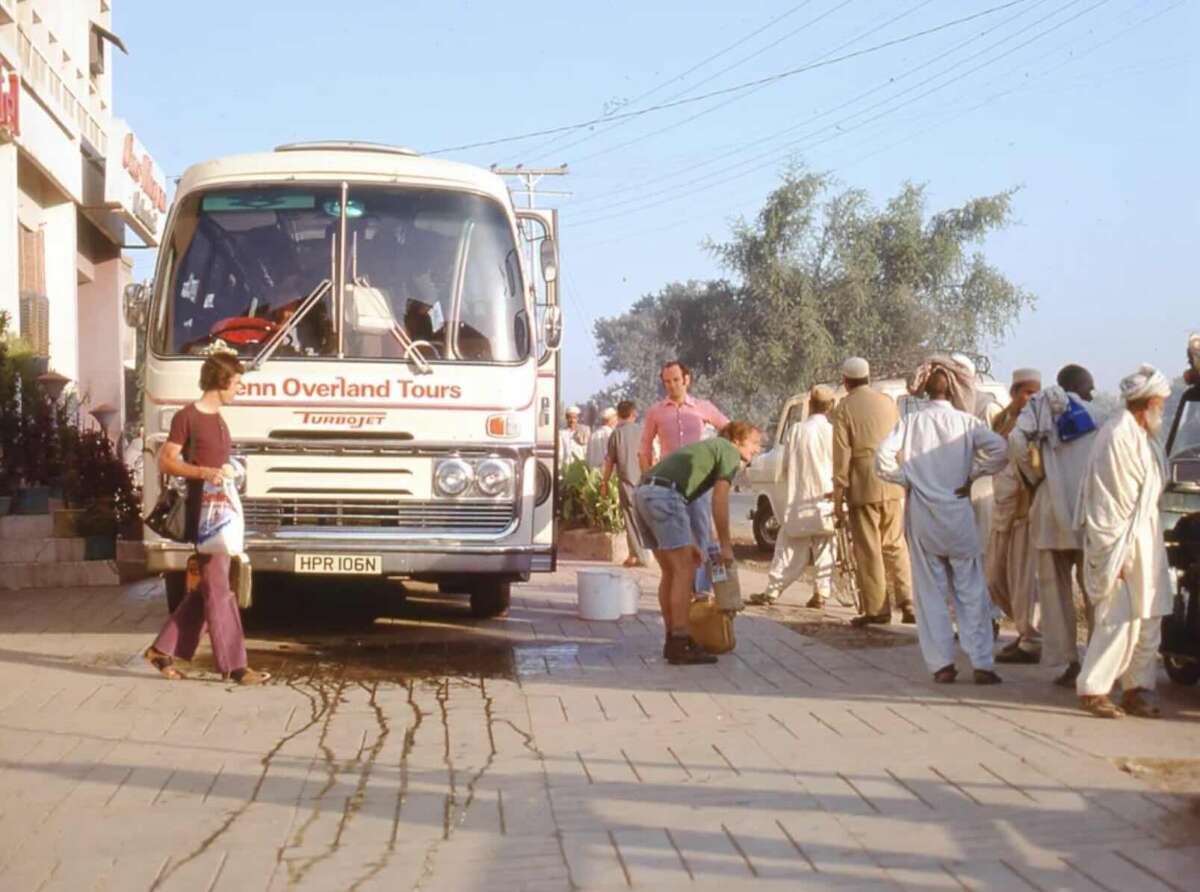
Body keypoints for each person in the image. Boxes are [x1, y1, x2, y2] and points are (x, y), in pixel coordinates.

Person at [877, 360, 1009, 683]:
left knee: (930, 592)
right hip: (959, 513)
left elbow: (880, 460)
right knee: (971, 588)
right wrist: (973, 474)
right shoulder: (967, 422)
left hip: (924, 516)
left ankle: (942, 666)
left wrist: (906, 477)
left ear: (924, 390)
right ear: (952, 389)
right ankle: (982, 663)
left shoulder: (910, 423)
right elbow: (1001, 451)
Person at [142, 352, 269, 686]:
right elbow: (167, 462)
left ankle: (161, 650)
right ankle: (236, 666)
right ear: (221, 380)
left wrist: (231, 472)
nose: (240, 388)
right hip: (204, 516)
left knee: (209, 589)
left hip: (222, 513)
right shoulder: (188, 417)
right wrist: (204, 472)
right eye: (237, 382)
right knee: (219, 591)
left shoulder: (220, 421)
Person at [1074, 365, 1173, 718]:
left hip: (1147, 539)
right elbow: (1107, 507)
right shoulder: (1117, 435)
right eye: (1161, 403)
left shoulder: (1147, 437)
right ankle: (1094, 689)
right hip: (1121, 543)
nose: (1162, 409)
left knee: (1149, 616)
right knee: (1118, 619)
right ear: (1147, 402)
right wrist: (1112, 558)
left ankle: (1138, 688)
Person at [635, 421, 763, 665]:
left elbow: (682, 490)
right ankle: (680, 641)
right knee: (684, 571)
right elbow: (720, 500)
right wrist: (726, 545)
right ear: (736, 440)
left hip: (645, 493)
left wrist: (691, 539)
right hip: (665, 496)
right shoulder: (728, 451)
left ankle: (672, 638)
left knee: (671, 572)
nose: (757, 449)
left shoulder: (710, 447)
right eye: (754, 443)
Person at [1009, 364, 1099, 687]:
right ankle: (1098, 660)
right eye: (1090, 387)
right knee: (1093, 591)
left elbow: (1016, 440)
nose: (1091, 393)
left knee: (1055, 591)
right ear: (1080, 386)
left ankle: (1070, 661)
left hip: (1050, 511)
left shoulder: (1040, 407)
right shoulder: (1097, 413)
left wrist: (1034, 478)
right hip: (1087, 514)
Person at [831, 357, 915, 626]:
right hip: (891, 479)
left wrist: (838, 493)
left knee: (869, 549)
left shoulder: (844, 408)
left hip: (863, 482)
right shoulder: (887, 403)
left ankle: (877, 609)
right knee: (895, 544)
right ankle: (909, 602)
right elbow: (900, 442)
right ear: (868, 377)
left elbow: (841, 455)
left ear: (845, 382)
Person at [639, 361, 729, 597]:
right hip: (668, 486)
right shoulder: (656, 411)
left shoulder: (702, 407)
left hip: (697, 484)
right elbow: (645, 447)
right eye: (667, 381)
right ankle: (682, 586)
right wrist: (647, 477)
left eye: (676, 380)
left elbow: (729, 430)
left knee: (702, 533)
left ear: (686, 380)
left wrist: (718, 459)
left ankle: (702, 591)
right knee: (676, 537)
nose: (671, 385)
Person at [748, 385, 837, 608]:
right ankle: (821, 593)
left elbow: (785, 465)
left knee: (787, 547)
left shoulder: (796, 430)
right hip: (825, 500)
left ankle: (772, 591)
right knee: (825, 546)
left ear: (810, 405)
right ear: (831, 407)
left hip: (800, 499)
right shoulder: (833, 432)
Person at [986, 369, 1044, 664]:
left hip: (1024, 509)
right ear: (1014, 392)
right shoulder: (1001, 420)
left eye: (1036, 393)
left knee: (1023, 578)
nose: (1032, 398)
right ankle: (1024, 631)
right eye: (1027, 392)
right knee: (995, 576)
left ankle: (1031, 639)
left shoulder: (1039, 424)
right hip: (1001, 506)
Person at [600, 401, 651, 567]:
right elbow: (652, 457)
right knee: (642, 518)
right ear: (633, 413)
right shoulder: (643, 431)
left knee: (630, 519)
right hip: (645, 480)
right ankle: (634, 554)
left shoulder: (617, 434)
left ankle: (641, 556)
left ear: (619, 414)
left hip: (627, 482)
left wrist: (604, 482)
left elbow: (609, 462)